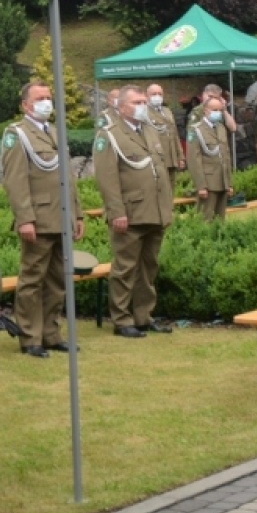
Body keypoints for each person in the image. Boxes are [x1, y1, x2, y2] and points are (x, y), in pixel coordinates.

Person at [0, 81, 84, 357]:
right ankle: (30, 337)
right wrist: (24, 218)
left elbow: (68, 179)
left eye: (49, 97)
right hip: (38, 218)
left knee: (58, 280)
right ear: (26, 105)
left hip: (61, 217)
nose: (47, 102)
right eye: (40, 98)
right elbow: (16, 180)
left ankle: (51, 333)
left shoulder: (55, 132)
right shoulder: (17, 135)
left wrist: (77, 214)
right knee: (32, 280)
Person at [94, 85, 174, 338]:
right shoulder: (109, 135)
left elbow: (158, 169)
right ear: (122, 107)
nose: (143, 106)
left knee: (148, 267)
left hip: (155, 210)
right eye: (137, 102)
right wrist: (116, 212)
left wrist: (166, 208)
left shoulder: (149, 131)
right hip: (130, 212)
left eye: (144, 101)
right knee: (125, 267)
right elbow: (107, 179)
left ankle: (143, 316)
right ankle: (121, 318)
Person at [187, 96, 232, 221]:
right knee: (205, 220)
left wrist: (229, 183)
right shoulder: (196, 130)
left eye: (220, 110)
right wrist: (201, 186)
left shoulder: (221, 128)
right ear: (206, 110)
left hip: (222, 181)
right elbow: (194, 160)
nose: (218, 113)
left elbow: (226, 157)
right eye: (214, 109)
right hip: (208, 183)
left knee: (220, 221)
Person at [145, 83, 186, 173]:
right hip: (158, 159)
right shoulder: (144, 113)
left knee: (171, 185)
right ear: (147, 96)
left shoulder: (167, 111)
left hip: (172, 157)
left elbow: (175, 135)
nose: (157, 96)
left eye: (160, 94)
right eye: (154, 94)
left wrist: (180, 157)